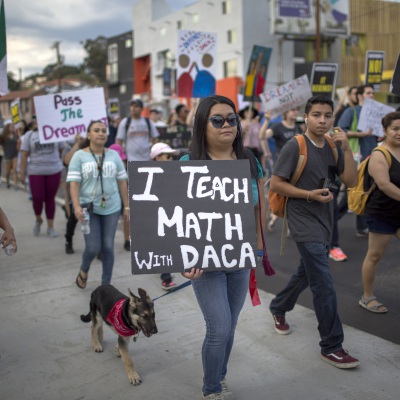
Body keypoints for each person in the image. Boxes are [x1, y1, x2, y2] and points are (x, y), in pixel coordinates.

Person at [180, 95, 265, 399]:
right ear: (202, 126)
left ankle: (220, 374)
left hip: (240, 259)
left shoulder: (250, 160)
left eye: (232, 118)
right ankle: (212, 388)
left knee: (230, 325)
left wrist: (256, 246)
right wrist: (184, 259)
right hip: (205, 263)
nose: (227, 124)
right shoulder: (187, 165)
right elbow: (178, 220)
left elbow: (258, 208)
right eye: (217, 120)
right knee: (218, 327)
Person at [269, 95, 360, 369]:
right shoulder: (295, 146)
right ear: (306, 117)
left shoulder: (333, 146)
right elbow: (275, 183)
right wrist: (308, 194)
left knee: (307, 272)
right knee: (323, 281)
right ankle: (332, 345)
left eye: (328, 115)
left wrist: (345, 150)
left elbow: (351, 181)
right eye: (317, 115)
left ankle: (279, 306)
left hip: (325, 220)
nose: (322, 120)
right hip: (301, 219)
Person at [68, 120, 129, 288]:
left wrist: (126, 206)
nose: (101, 133)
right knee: (94, 247)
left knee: (108, 247)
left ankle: (105, 285)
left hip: (112, 207)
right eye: (96, 130)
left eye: (103, 130)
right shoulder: (79, 156)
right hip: (88, 209)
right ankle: (84, 269)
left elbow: (123, 181)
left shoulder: (114, 155)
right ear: (89, 134)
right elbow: (73, 183)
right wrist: (76, 206)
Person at [359, 111, 400, 313]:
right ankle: (367, 297)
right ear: (385, 130)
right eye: (395, 129)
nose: (399, 133)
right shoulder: (379, 154)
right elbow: (384, 185)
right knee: (375, 255)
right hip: (382, 213)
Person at [19, 117, 66, 237]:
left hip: (54, 170)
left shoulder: (56, 131)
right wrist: (22, 172)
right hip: (35, 171)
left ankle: (50, 227)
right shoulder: (30, 135)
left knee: (50, 199)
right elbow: (24, 155)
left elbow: (62, 149)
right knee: (37, 198)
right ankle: (38, 219)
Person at [259, 107, 302, 232]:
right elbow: (262, 136)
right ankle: (276, 217)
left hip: (296, 166)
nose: (295, 112)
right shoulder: (278, 127)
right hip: (282, 167)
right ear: (286, 113)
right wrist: (267, 120)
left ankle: (280, 220)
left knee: (291, 195)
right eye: (292, 110)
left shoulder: (297, 128)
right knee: (283, 194)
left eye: (296, 110)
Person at [150, 142, 179, 290]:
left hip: (175, 213)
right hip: (159, 216)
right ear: (157, 158)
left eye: (171, 156)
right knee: (164, 244)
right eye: (167, 155)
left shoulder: (176, 173)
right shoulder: (148, 176)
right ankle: (166, 277)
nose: (170, 159)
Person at [2, 123, 20, 189]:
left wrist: (19, 144)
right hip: (7, 155)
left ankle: (15, 184)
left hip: (15, 154)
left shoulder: (16, 135)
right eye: (10, 127)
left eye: (13, 127)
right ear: (7, 128)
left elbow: (18, 144)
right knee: (8, 172)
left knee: (15, 170)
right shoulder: (3, 136)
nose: (12, 128)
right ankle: (7, 181)